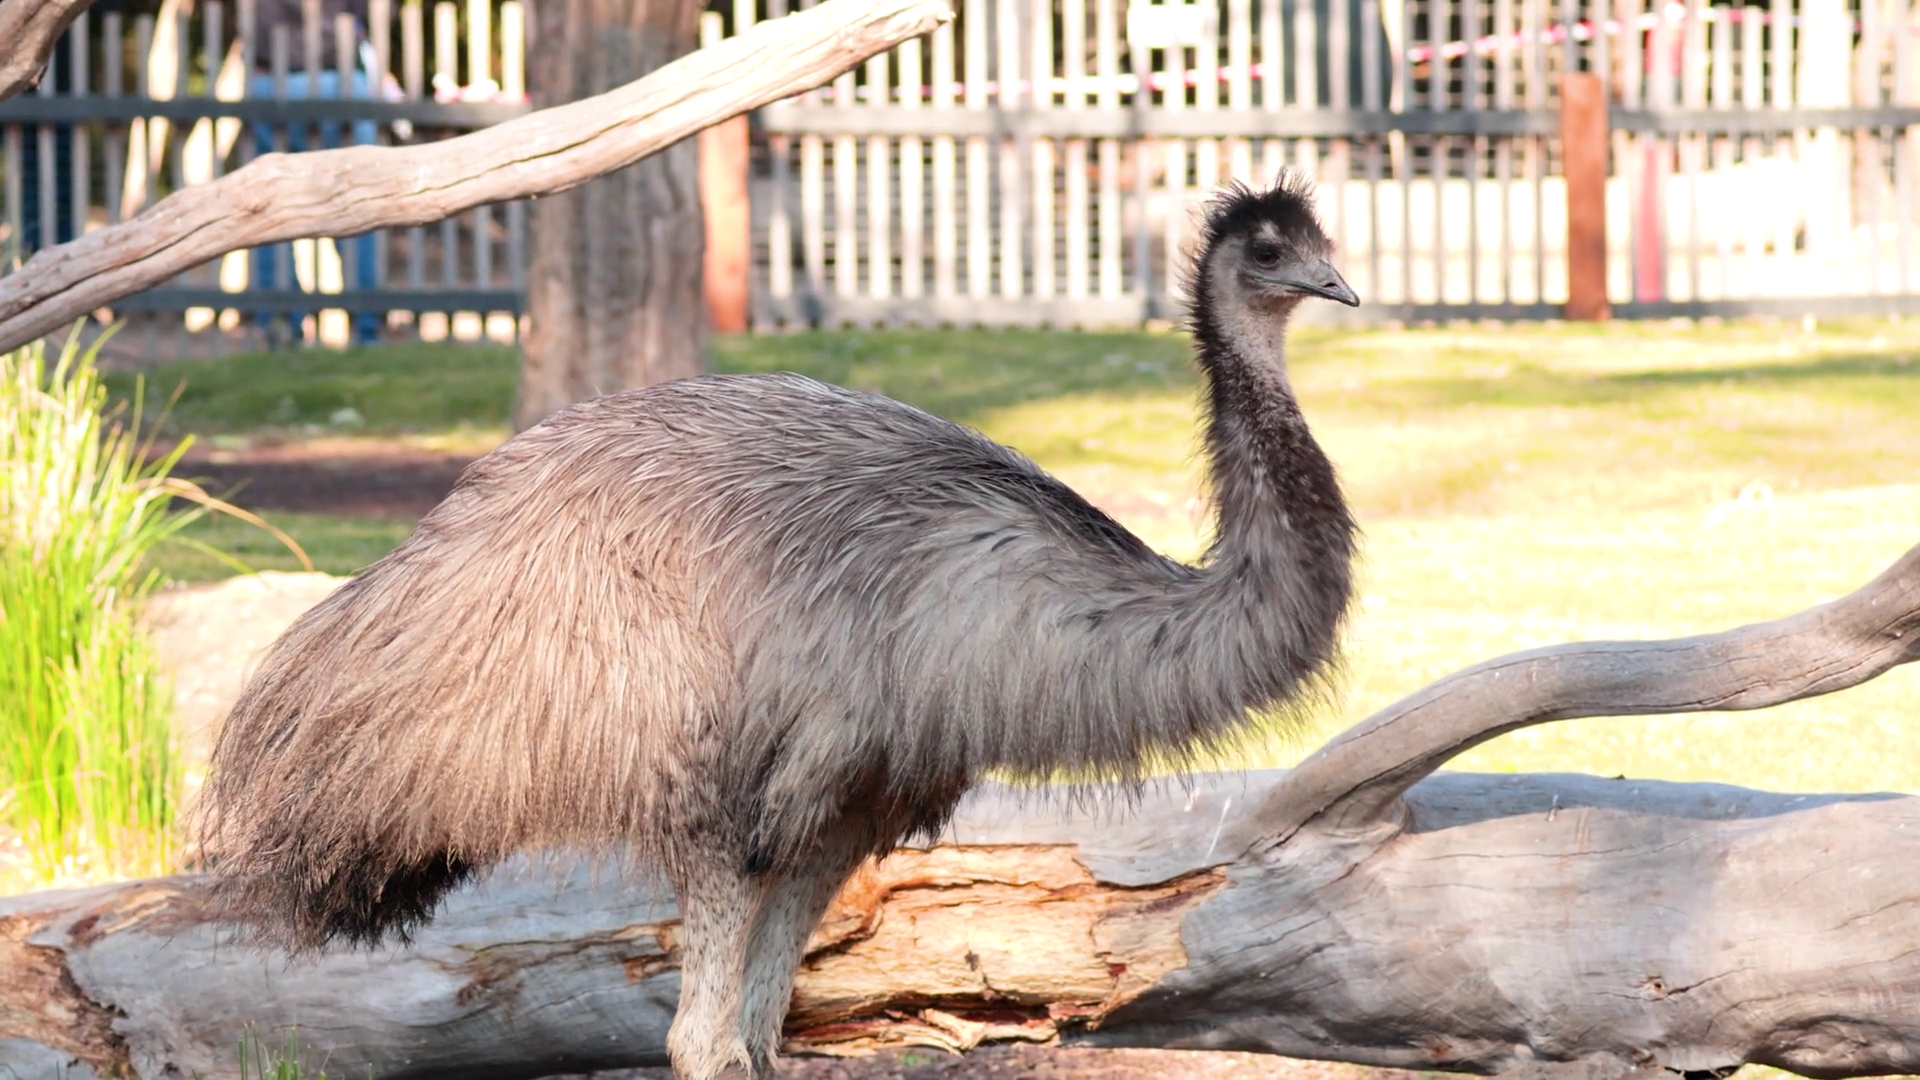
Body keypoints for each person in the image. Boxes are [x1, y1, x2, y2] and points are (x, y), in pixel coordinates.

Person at [249, 0, 383, 345]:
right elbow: (367, 18)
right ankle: (367, 324)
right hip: (339, 79)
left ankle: (281, 321)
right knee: (360, 198)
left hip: (273, 79)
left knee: (269, 203)